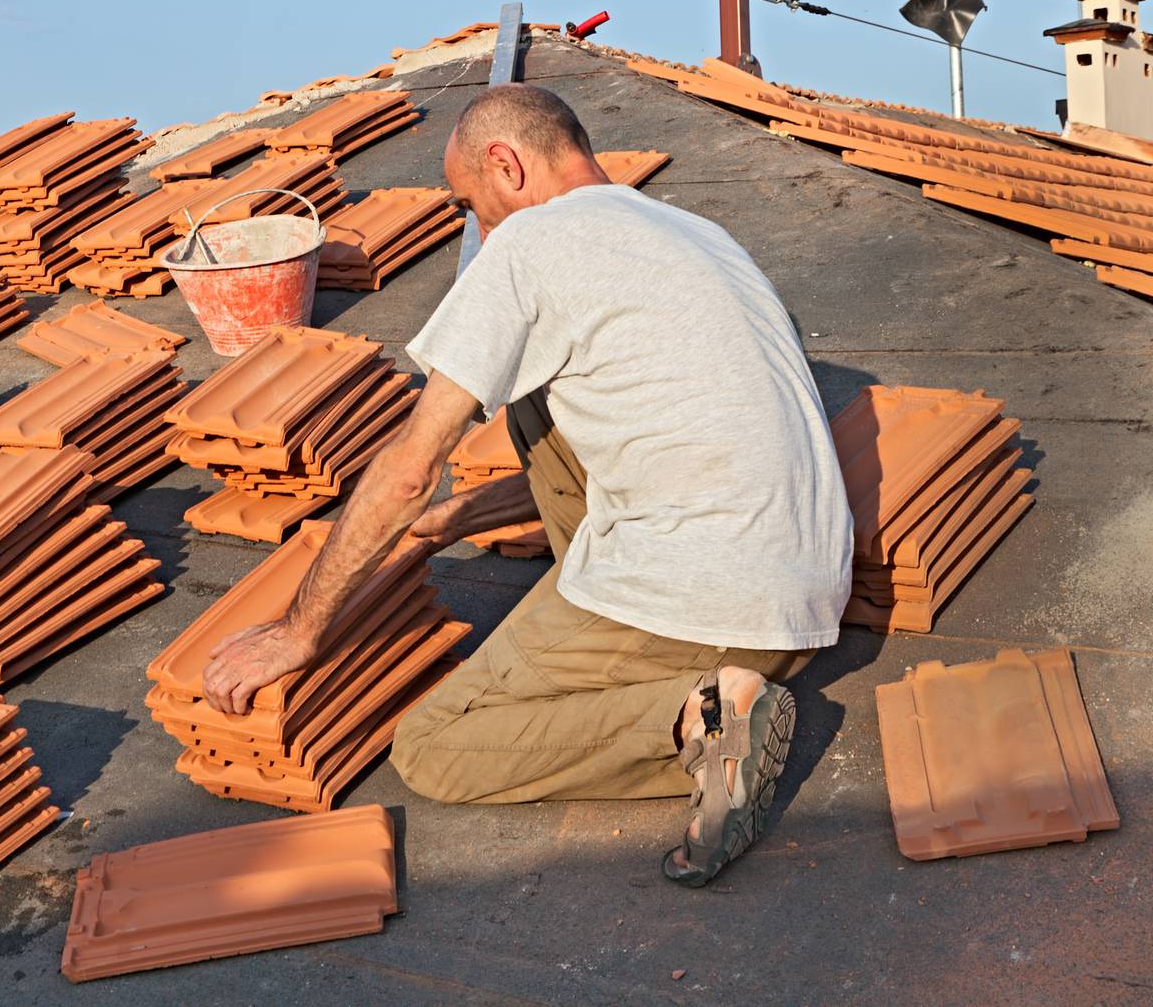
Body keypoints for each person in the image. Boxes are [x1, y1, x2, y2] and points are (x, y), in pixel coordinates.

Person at [201, 83, 853, 885]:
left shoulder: (533, 243)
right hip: (807, 600)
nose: (478, 227)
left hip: (702, 605)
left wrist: (298, 631)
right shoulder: (696, 232)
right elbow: (651, 435)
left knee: (435, 748)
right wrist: (456, 519)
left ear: (506, 165)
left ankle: (698, 716)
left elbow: (409, 466)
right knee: (535, 388)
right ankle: (697, 677)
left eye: (473, 204)